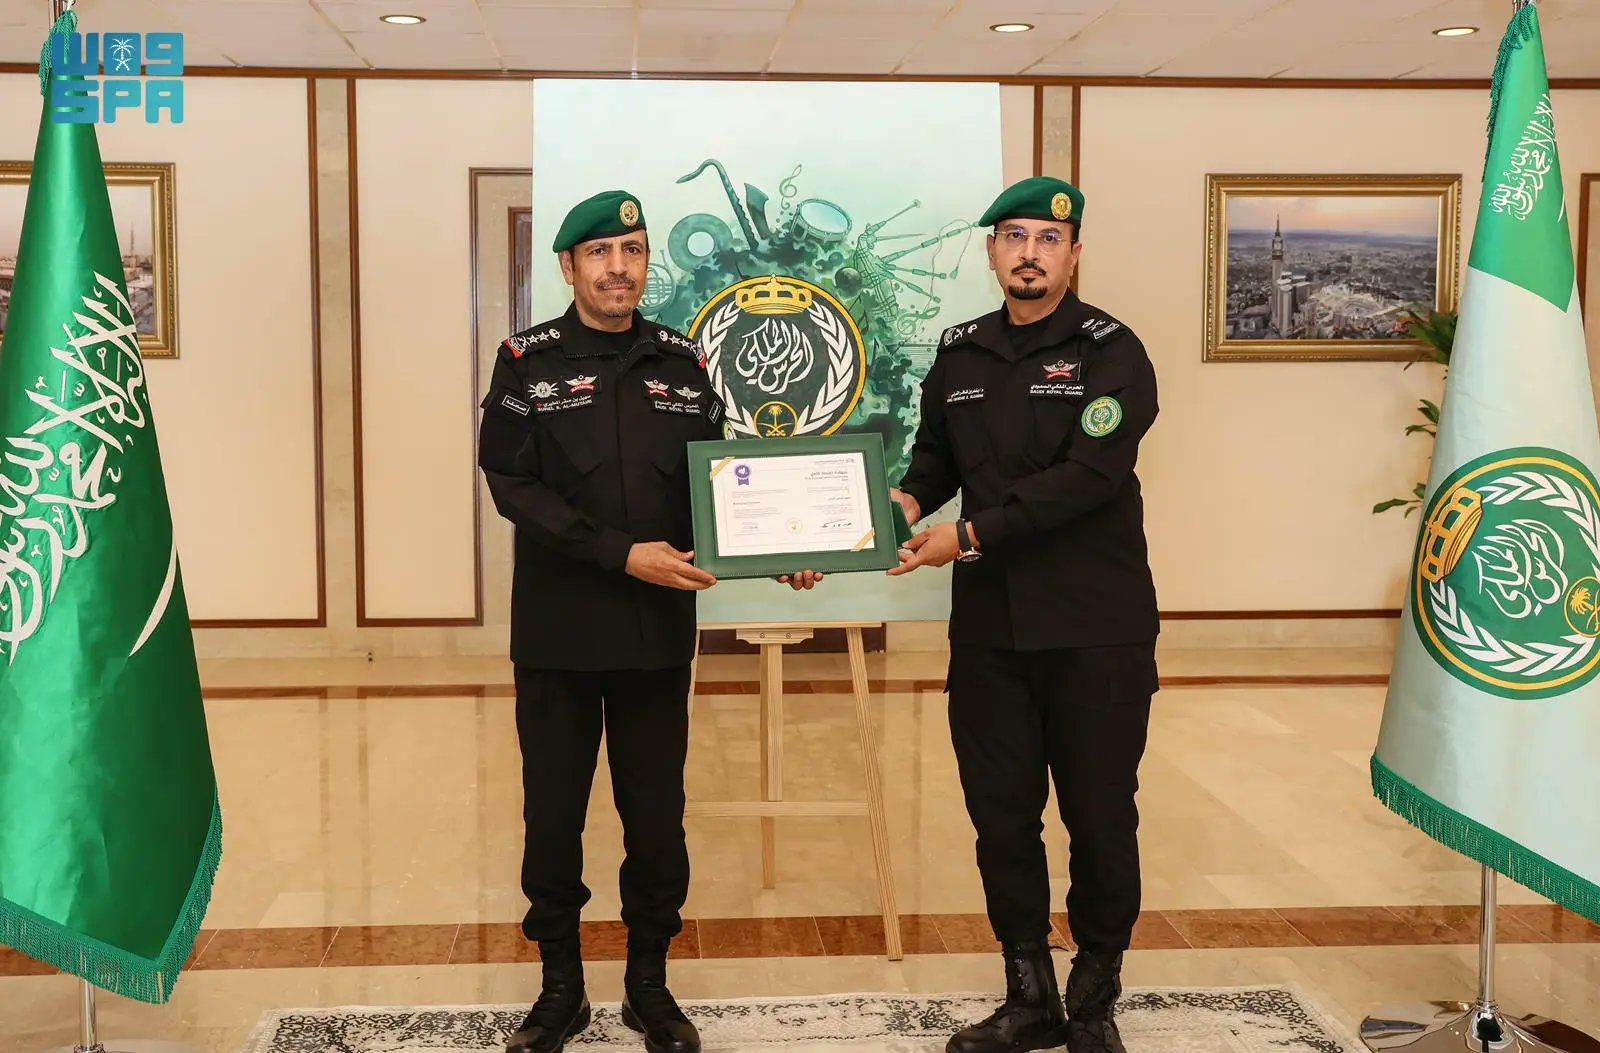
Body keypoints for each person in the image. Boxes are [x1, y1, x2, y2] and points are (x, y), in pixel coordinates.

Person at [478, 189, 820, 1053]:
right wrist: (618, 552)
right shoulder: (526, 363)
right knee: (553, 817)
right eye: (600, 252)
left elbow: (717, 485)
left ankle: (648, 986)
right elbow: (512, 485)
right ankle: (560, 989)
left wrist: (781, 542)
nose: (618, 268)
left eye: (632, 250)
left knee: (657, 819)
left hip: (654, 635)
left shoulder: (684, 362)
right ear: (568, 265)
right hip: (558, 632)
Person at [888, 176, 1160, 1053]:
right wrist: (901, 501)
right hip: (991, 631)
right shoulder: (960, 352)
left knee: (1100, 816)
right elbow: (934, 457)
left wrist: (965, 534)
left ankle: (1095, 996)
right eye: (1014, 236)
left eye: (1048, 238)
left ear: (1073, 253)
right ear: (993, 250)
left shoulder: (1112, 352)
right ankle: (1029, 995)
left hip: (1095, 627)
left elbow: (1088, 479)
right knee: (1001, 817)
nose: (1030, 253)